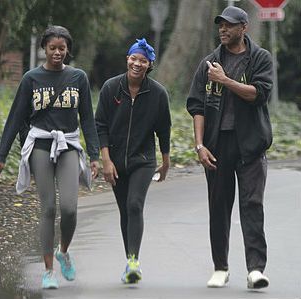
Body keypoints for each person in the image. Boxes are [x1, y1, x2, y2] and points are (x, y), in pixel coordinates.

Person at [0, 25, 100, 289]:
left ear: (67, 50)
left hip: (69, 145)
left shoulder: (78, 78)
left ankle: (63, 251)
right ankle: (49, 270)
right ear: (44, 49)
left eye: (61, 48)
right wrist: (1, 155)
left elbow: (87, 118)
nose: (57, 53)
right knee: (49, 208)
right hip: (40, 144)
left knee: (70, 208)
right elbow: (16, 117)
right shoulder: (31, 79)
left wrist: (95, 155)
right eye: (52, 48)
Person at [186, 6, 273, 289]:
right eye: (220, 25)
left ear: (244, 27)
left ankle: (256, 270)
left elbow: (259, 94)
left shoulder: (259, 58)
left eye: (229, 25)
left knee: (252, 205)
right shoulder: (209, 63)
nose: (223, 29)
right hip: (217, 145)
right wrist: (200, 145)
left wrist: (225, 80)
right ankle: (220, 267)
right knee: (219, 206)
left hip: (250, 144)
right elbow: (197, 106)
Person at [95, 38, 171, 284]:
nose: (137, 64)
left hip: (143, 160)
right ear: (127, 59)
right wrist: (106, 160)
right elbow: (100, 125)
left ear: (149, 65)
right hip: (115, 161)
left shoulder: (158, 93)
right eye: (133, 58)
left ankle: (133, 262)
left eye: (143, 61)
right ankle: (130, 260)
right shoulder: (111, 87)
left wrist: (166, 160)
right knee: (124, 211)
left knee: (135, 205)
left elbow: (164, 129)